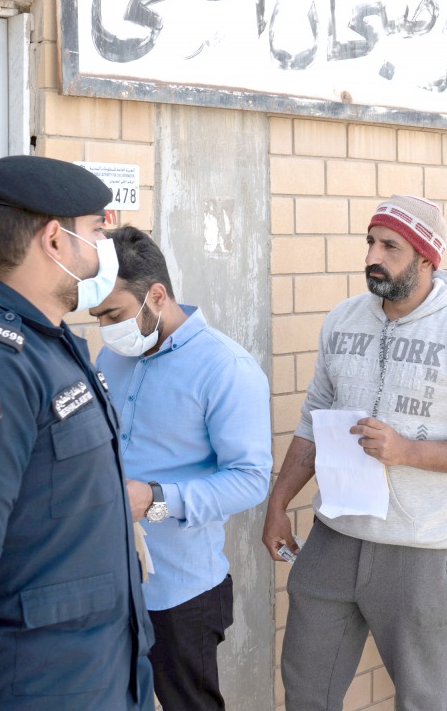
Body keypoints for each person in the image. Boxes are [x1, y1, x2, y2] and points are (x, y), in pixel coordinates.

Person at [261, 196, 447, 711]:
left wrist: (407, 451)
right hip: (333, 537)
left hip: (420, 548)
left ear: (427, 259)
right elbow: (314, 416)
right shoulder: (343, 319)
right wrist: (278, 504)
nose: (372, 256)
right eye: (370, 242)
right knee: (305, 692)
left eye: (389, 246)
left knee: (422, 700)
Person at [0, 155, 154, 710]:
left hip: (107, 671)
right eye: (96, 231)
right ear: (54, 241)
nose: (104, 249)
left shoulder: (54, 346)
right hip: (46, 687)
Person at [90, 226, 273, 710]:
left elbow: (251, 479)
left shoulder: (226, 368)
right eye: (97, 316)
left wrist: (155, 498)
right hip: (111, 579)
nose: (105, 328)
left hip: (181, 591)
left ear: (156, 295)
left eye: (113, 314)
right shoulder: (113, 353)